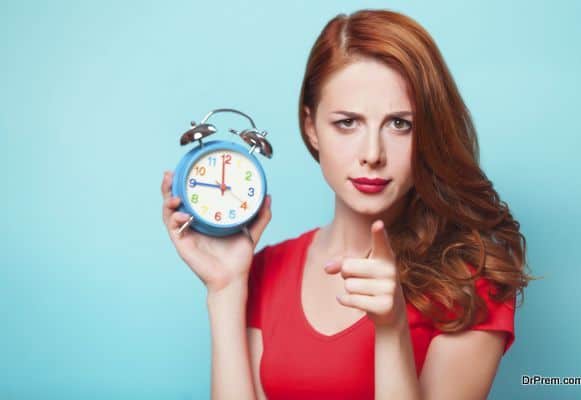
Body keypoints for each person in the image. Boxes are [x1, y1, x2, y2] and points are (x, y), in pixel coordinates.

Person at [161, 9, 532, 400]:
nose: (372, 154)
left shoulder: (470, 282)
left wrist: (391, 331)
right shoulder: (264, 271)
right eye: (347, 123)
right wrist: (225, 289)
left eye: (399, 124)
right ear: (311, 128)